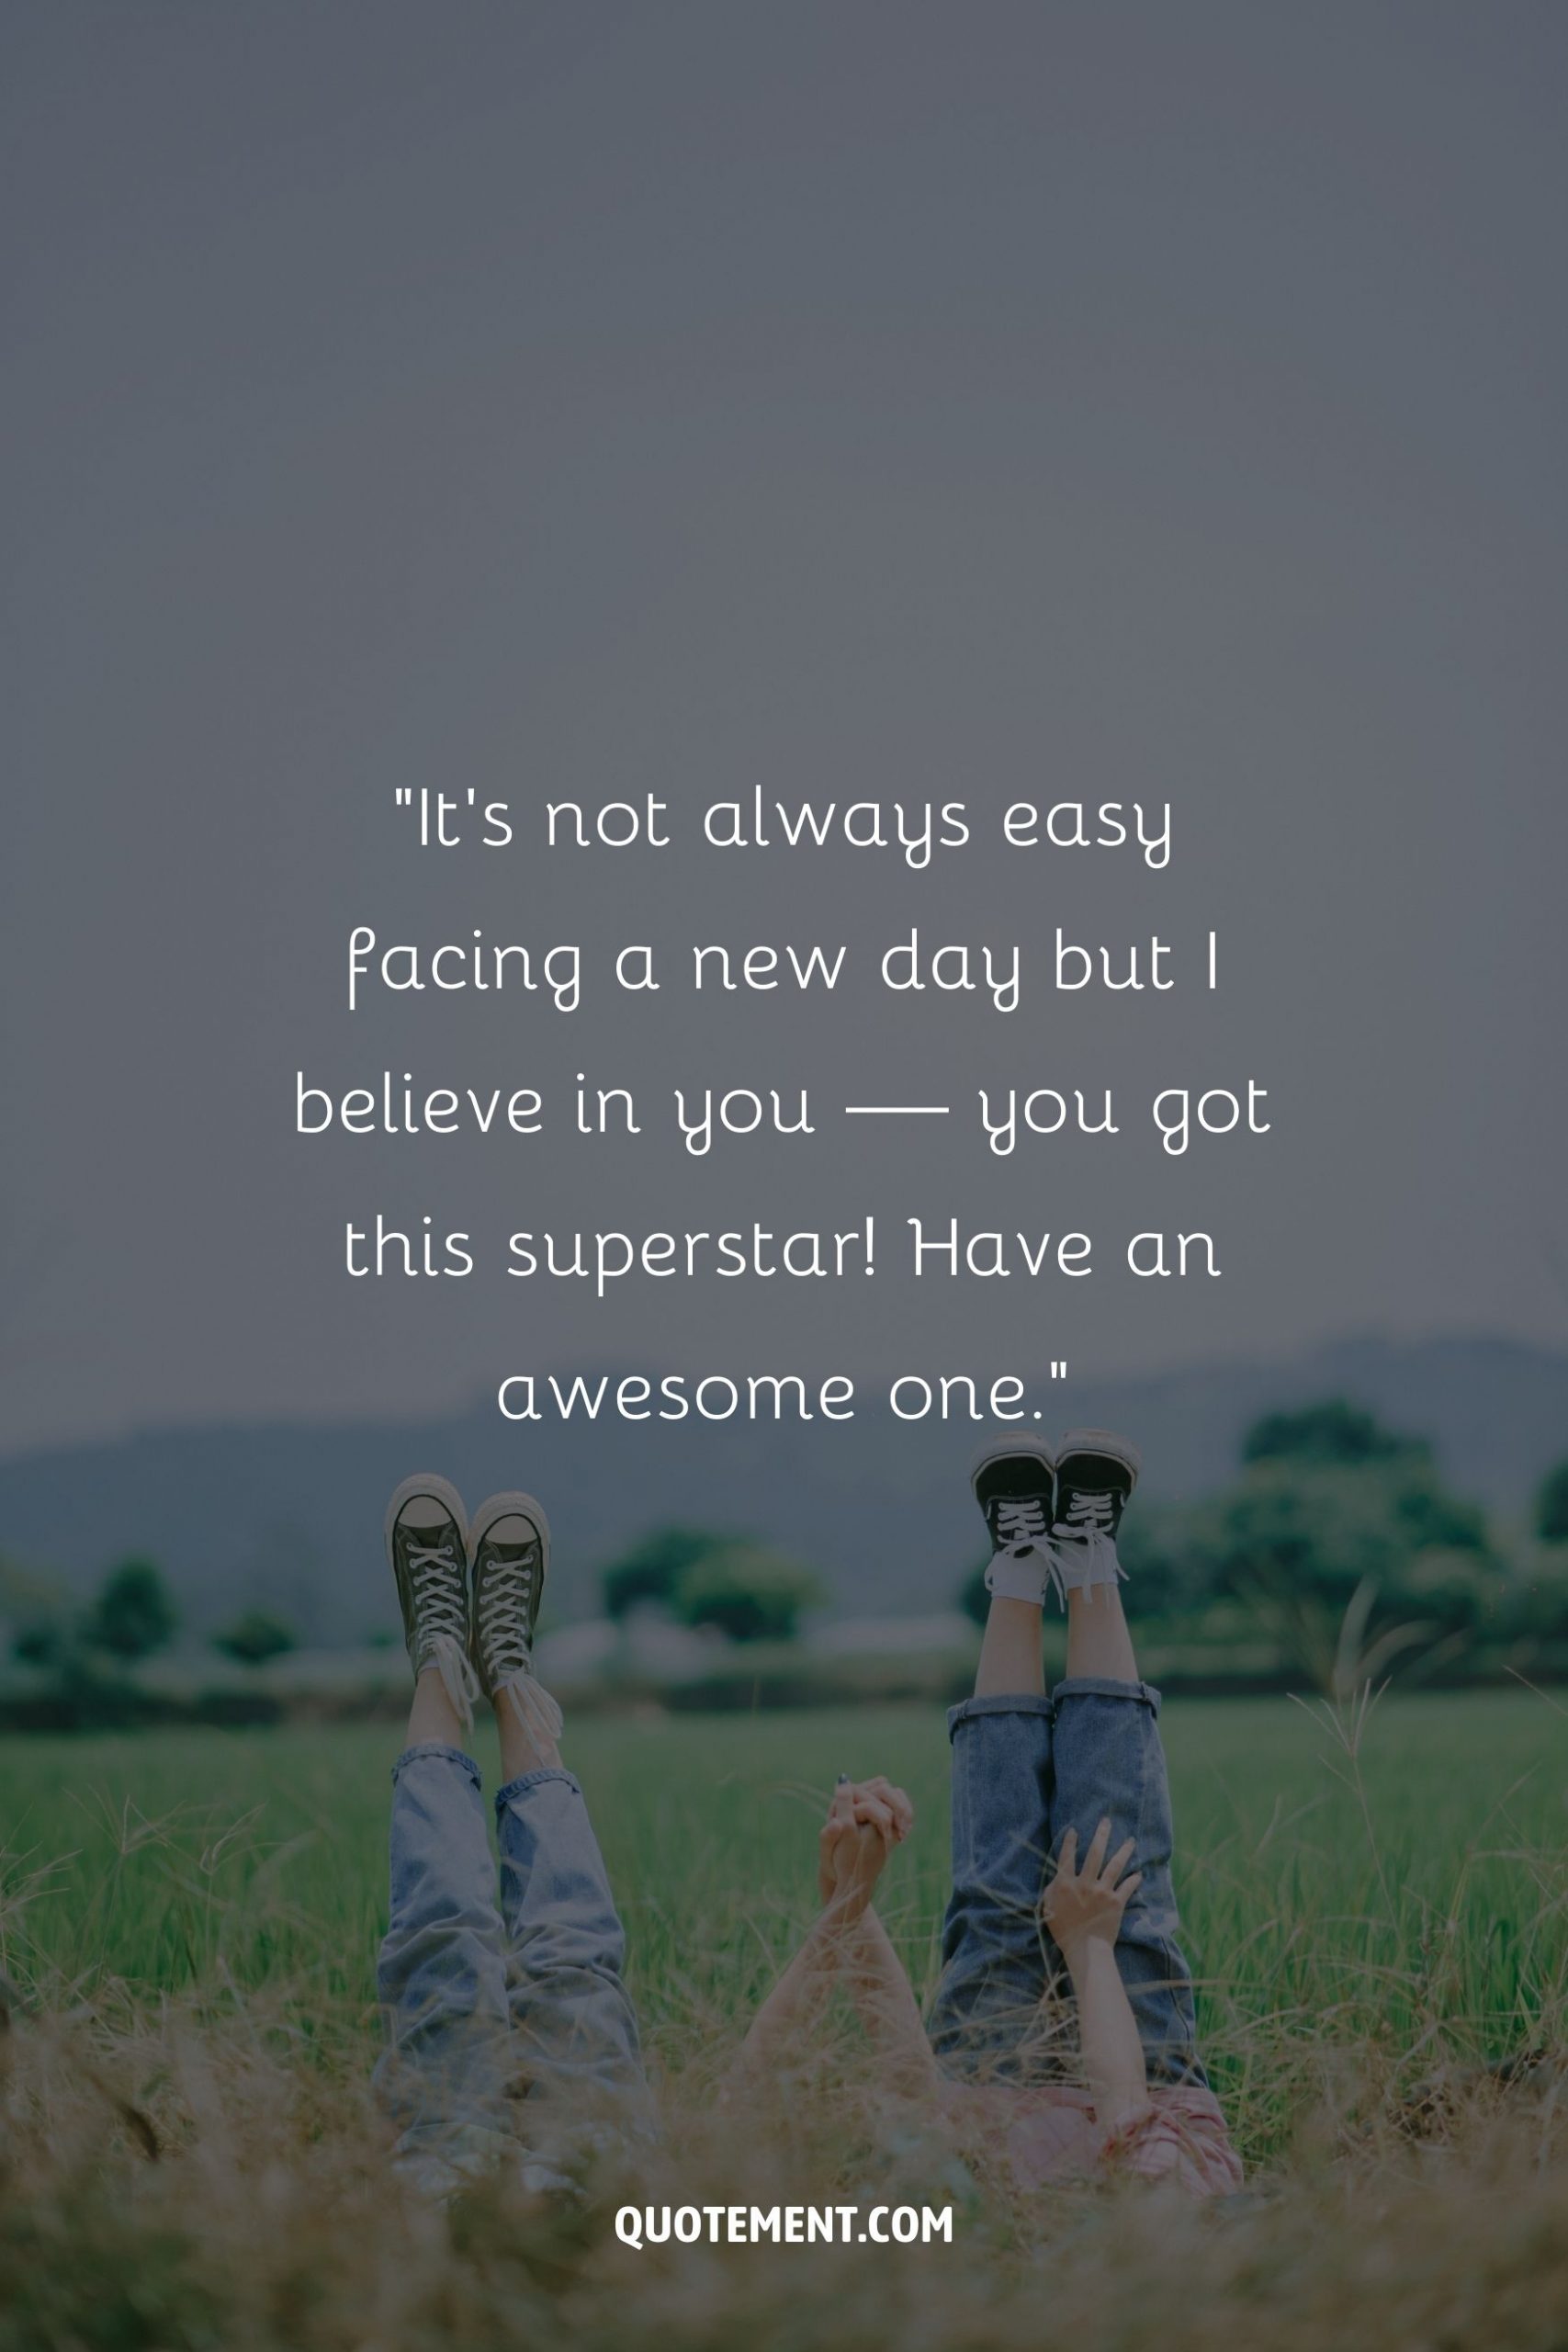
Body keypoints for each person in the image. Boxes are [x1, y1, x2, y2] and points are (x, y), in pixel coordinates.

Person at [734, 1429, 1243, 2195]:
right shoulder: (1159, 2237)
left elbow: (912, 2089)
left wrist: (849, 1903)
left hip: (986, 2084)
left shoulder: (953, 2229)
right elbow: (1131, 2125)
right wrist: (1089, 1947)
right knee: (1114, 1866)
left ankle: (1017, 1572)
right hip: (1144, 2072)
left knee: (998, 1891)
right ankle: (1087, 1559)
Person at [373, 1475, 648, 2197]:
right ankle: (504, 1671)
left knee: (440, 1938)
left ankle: (440, 1661)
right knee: (573, 1960)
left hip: (445, 2165)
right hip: (594, 2159)